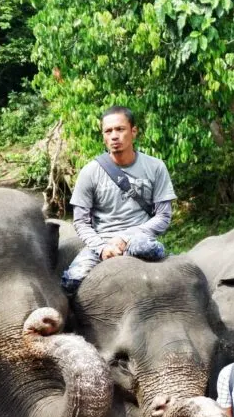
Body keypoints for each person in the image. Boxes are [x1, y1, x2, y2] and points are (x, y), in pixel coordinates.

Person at [61, 105, 176, 294]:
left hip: (139, 240)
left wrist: (125, 238)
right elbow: (81, 221)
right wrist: (102, 248)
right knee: (70, 281)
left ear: (133, 132)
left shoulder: (156, 167)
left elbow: (163, 216)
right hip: (102, 242)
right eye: (108, 131)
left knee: (145, 249)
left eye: (120, 129)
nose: (114, 136)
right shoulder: (90, 172)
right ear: (103, 136)